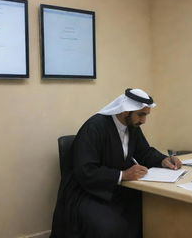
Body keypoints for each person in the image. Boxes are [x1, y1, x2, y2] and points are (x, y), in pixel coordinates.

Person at [49, 88, 182, 238]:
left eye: (146, 115)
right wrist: (122, 175)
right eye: (141, 115)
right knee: (110, 227)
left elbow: (144, 152)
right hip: (88, 192)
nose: (143, 121)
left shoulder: (132, 127)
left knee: (152, 210)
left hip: (118, 188)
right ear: (125, 111)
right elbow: (85, 170)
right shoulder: (94, 127)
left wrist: (163, 160)